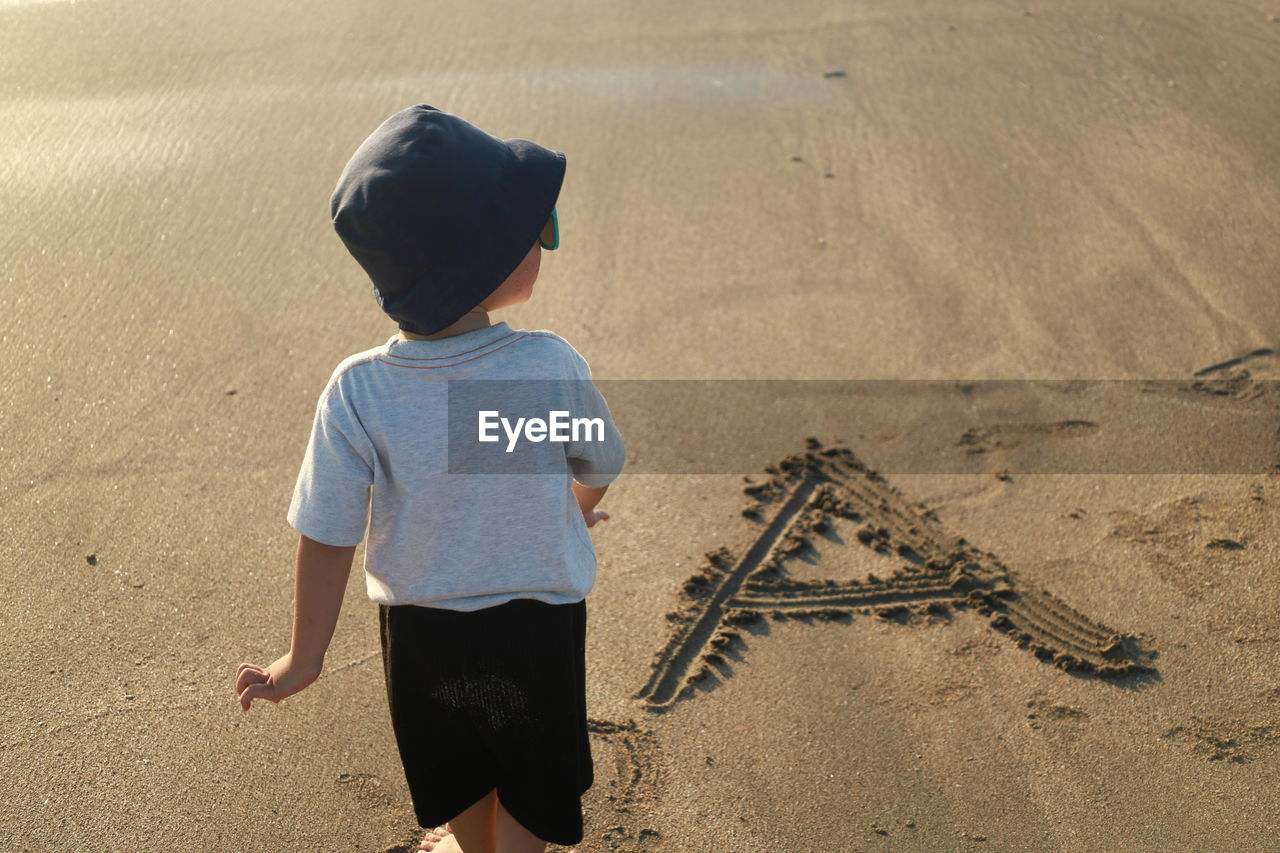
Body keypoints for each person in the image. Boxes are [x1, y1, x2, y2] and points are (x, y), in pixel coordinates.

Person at [234, 104, 625, 853]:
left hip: (421, 638)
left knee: (458, 777)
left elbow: (328, 531)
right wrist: (568, 513)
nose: (545, 237)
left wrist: (304, 656)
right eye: (536, 228)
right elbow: (598, 465)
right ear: (493, 262)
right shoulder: (546, 367)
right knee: (533, 782)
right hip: (534, 625)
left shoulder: (359, 393)